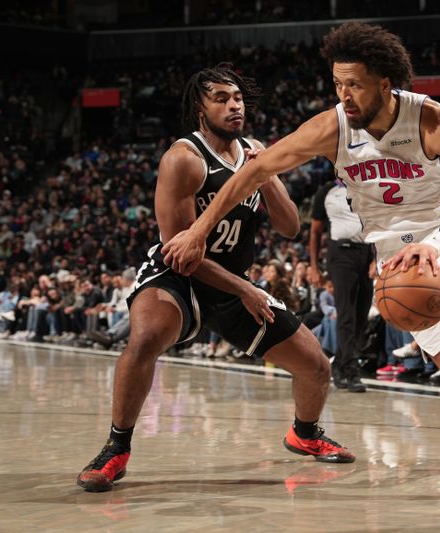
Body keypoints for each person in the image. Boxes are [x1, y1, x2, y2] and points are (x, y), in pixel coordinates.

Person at [161, 23, 440, 505]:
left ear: (386, 83)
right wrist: (198, 230)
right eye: (338, 84)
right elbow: (255, 171)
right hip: (393, 262)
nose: (344, 96)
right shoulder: (332, 126)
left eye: (355, 85)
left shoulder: (432, 119)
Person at [77, 65, 355, 493]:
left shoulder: (255, 152)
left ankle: (305, 432)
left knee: (316, 367)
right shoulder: (183, 158)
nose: (234, 105)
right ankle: (116, 448)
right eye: (222, 98)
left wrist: (265, 174)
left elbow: (289, 227)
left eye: (238, 98)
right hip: (178, 277)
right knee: (148, 336)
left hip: (233, 279)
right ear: (199, 107)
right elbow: (183, 254)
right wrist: (246, 289)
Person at [310, 178, 373, 392]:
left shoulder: (367, 185)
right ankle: (351, 371)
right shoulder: (326, 191)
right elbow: (316, 231)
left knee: (362, 314)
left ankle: (339, 364)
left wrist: (376, 258)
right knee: (346, 314)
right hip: (341, 252)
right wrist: (314, 266)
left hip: (367, 252)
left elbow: (378, 224)